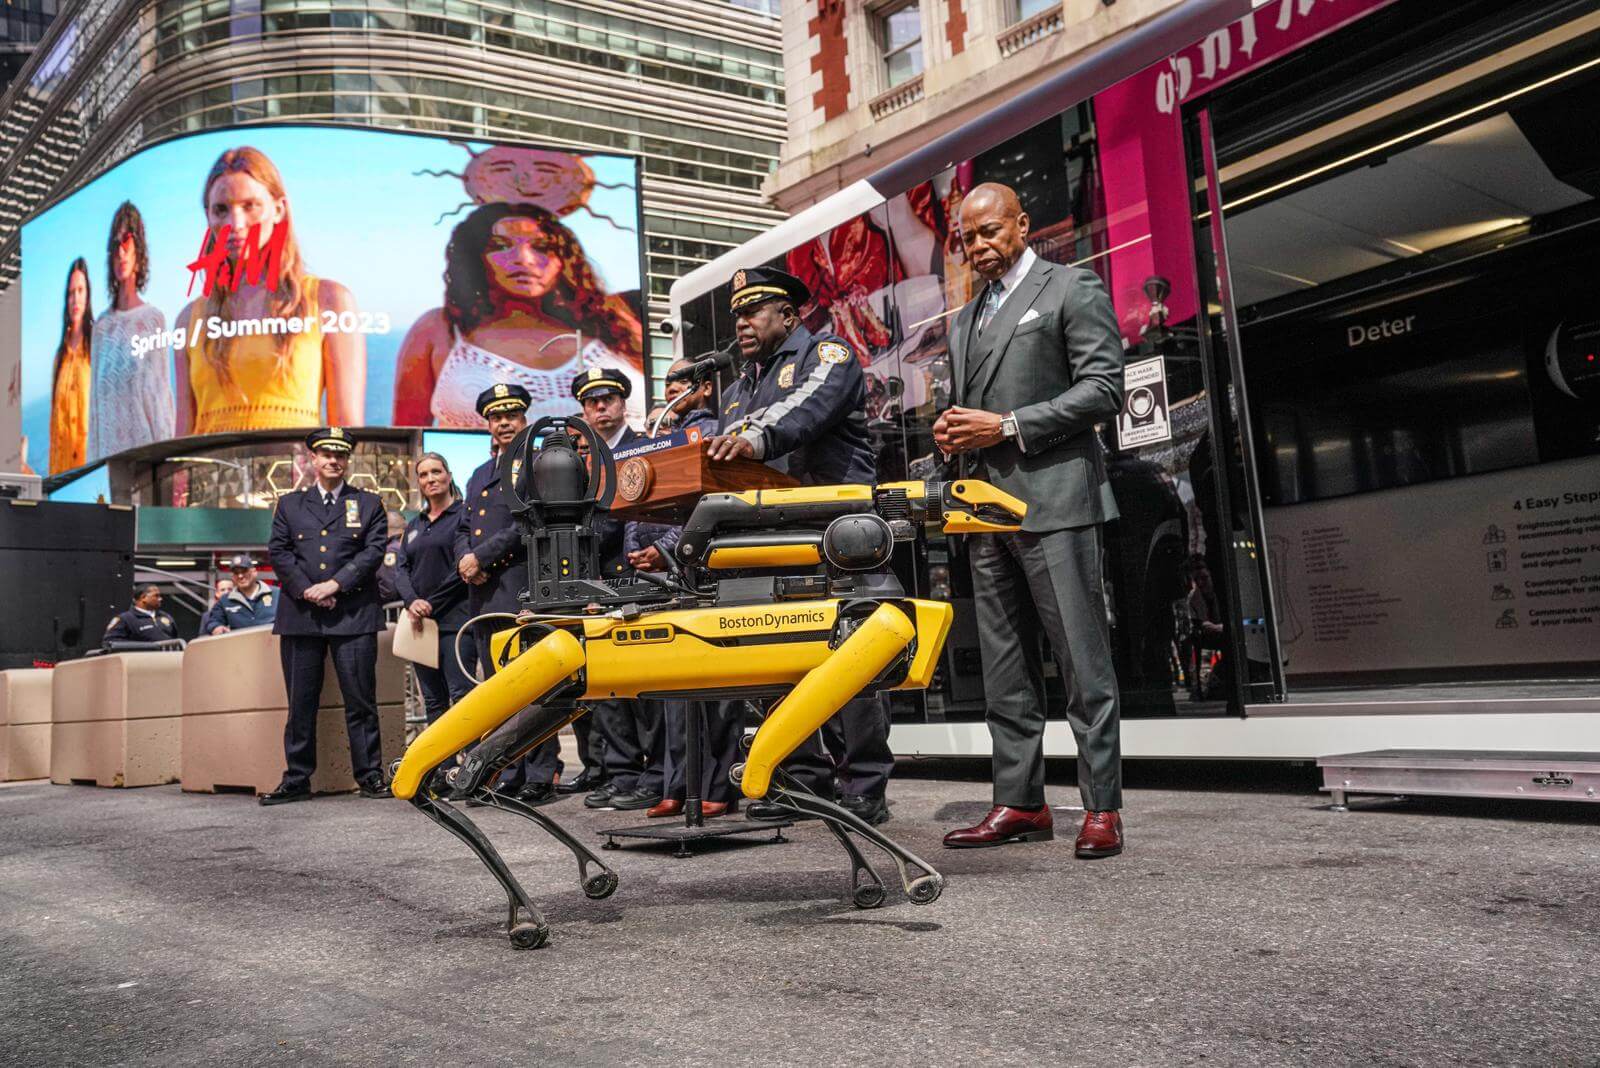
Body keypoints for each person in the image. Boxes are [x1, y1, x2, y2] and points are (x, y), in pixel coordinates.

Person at [934, 182, 1125, 857]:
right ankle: (1019, 802)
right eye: (968, 237)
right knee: (1005, 669)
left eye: (991, 232)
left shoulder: (1072, 289)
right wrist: (955, 434)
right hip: (987, 511)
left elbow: (1104, 389)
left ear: (1022, 226)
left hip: (1058, 502)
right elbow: (974, 412)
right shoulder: (963, 320)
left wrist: (1008, 424)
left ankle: (1102, 807)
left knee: (1081, 662)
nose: (980, 246)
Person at [704, 266, 892, 825]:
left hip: (837, 530)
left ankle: (864, 784)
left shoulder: (827, 356)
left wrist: (751, 436)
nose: (740, 321)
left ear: (788, 314)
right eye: (736, 313)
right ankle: (803, 778)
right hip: (770, 536)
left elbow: (803, 412)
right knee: (779, 657)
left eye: (753, 310)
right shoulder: (737, 389)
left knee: (852, 657)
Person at [392, 202, 645, 428]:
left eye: (542, 247)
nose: (523, 259)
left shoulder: (615, 318)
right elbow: (407, 435)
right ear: (475, 258)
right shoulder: (439, 328)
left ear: (563, 259)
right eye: (500, 247)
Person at [175, 146, 365, 436]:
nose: (234, 224)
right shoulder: (189, 319)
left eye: (249, 205)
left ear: (278, 209)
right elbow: (183, 436)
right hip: (209, 480)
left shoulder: (329, 301)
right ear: (208, 217)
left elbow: (348, 430)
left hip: (297, 479)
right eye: (221, 209)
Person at [260, 428, 390, 806]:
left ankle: (370, 776)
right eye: (326, 454)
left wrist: (335, 584)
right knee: (300, 702)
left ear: (347, 461)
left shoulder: (368, 503)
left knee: (361, 702)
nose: (333, 460)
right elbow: (279, 553)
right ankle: (297, 779)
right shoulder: (289, 504)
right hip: (302, 615)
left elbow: (373, 552)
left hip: (353, 614)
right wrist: (307, 589)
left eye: (340, 455)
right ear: (312, 460)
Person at [640, 358, 740, 819]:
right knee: (675, 682)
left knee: (717, 686)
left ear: (702, 389)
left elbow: (704, 503)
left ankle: (719, 785)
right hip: (672, 571)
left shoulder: (713, 430)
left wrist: (663, 548)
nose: (671, 391)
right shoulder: (663, 434)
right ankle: (677, 784)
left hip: (708, 564)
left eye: (680, 383)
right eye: (666, 384)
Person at [455, 383, 562, 806]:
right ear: (487, 423)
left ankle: (540, 773)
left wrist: (480, 556)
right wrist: (466, 557)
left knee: (531, 688)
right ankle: (507, 771)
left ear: (524, 420)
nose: (503, 423)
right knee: (498, 690)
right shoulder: (479, 474)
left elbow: (529, 523)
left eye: (511, 415)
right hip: (483, 595)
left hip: (520, 589)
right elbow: (462, 527)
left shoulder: (538, 464)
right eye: (496, 417)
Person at [573, 368, 665, 812]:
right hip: (596, 583)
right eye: (592, 402)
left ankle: (655, 774)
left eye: (608, 398)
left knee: (643, 685)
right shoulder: (580, 458)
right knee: (608, 688)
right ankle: (622, 772)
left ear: (622, 402)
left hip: (635, 576)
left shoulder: (642, 447)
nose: (600, 407)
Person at [89, 201, 173, 460]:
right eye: (115, 245)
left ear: (139, 248)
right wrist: (90, 470)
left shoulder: (152, 320)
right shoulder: (101, 328)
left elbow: (160, 404)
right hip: (108, 469)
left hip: (145, 463)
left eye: (127, 241)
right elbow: (94, 413)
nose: (121, 252)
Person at [395, 452, 474, 722]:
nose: (431, 479)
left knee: (463, 696)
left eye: (436, 472)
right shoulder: (415, 524)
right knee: (433, 701)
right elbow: (401, 568)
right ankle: (443, 764)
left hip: (456, 623)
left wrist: (430, 603)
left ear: (449, 476)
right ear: (418, 482)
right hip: (420, 625)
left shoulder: (464, 515)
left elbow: (461, 568)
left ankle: (471, 763)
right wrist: (411, 601)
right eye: (424, 474)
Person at [49, 258, 93, 475]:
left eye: (80, 290)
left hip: (91, 469)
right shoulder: (59, 358)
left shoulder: (96, 344)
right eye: (70, 292)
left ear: (87, 294)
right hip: (61, 474)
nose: (75, 298)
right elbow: (53, 429)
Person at [200, 554, 278, 636]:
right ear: (232, 576)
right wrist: (216, 627)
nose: (240, 576)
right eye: (236, 573)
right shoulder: (225, 600)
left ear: (254, 572)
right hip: (241, 647)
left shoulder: (277, 594)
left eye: (244, 571)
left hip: (272, 646)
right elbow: (213, 620)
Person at [104, 585, 179, 645]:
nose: (160, 599)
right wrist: (145, 646)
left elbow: (175, 639)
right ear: (143, 597)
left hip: (168, 659)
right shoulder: (125, 619)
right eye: (156, 596)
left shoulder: (166, 616)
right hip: (140, 660)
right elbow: (111, 641)